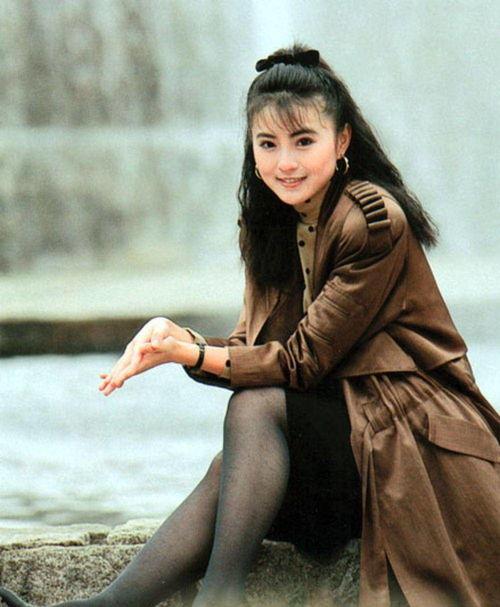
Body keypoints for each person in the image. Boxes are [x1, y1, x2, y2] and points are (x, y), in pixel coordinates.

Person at [1, 44, 499, 607]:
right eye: (268, 144)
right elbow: (253, 349)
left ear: (341, 142)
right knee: (236, 466)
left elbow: (300, 362)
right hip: (357, 439)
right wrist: (180, 339)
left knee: (256, 408)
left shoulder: (372, 222)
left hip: (416, 448)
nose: (285, 162)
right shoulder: (272, 222)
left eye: (303, 141)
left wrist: (191, 355)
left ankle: (217, 597)